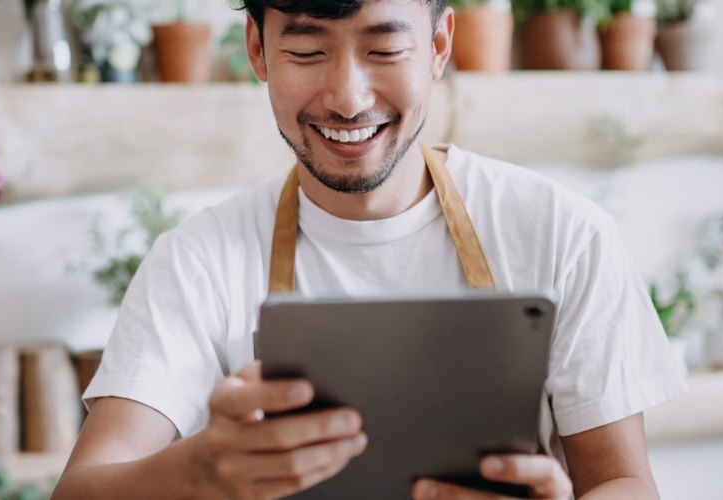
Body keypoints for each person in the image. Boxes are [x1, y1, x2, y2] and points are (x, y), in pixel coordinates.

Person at [53, 0, 687, 498]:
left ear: (439, 45)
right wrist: (204, 473)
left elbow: (623, 483)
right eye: (305, 50)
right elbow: (81, 491)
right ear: (257, 49)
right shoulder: (196, 261)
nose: (348, 98)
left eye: (385, 48)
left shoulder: (563, 233)